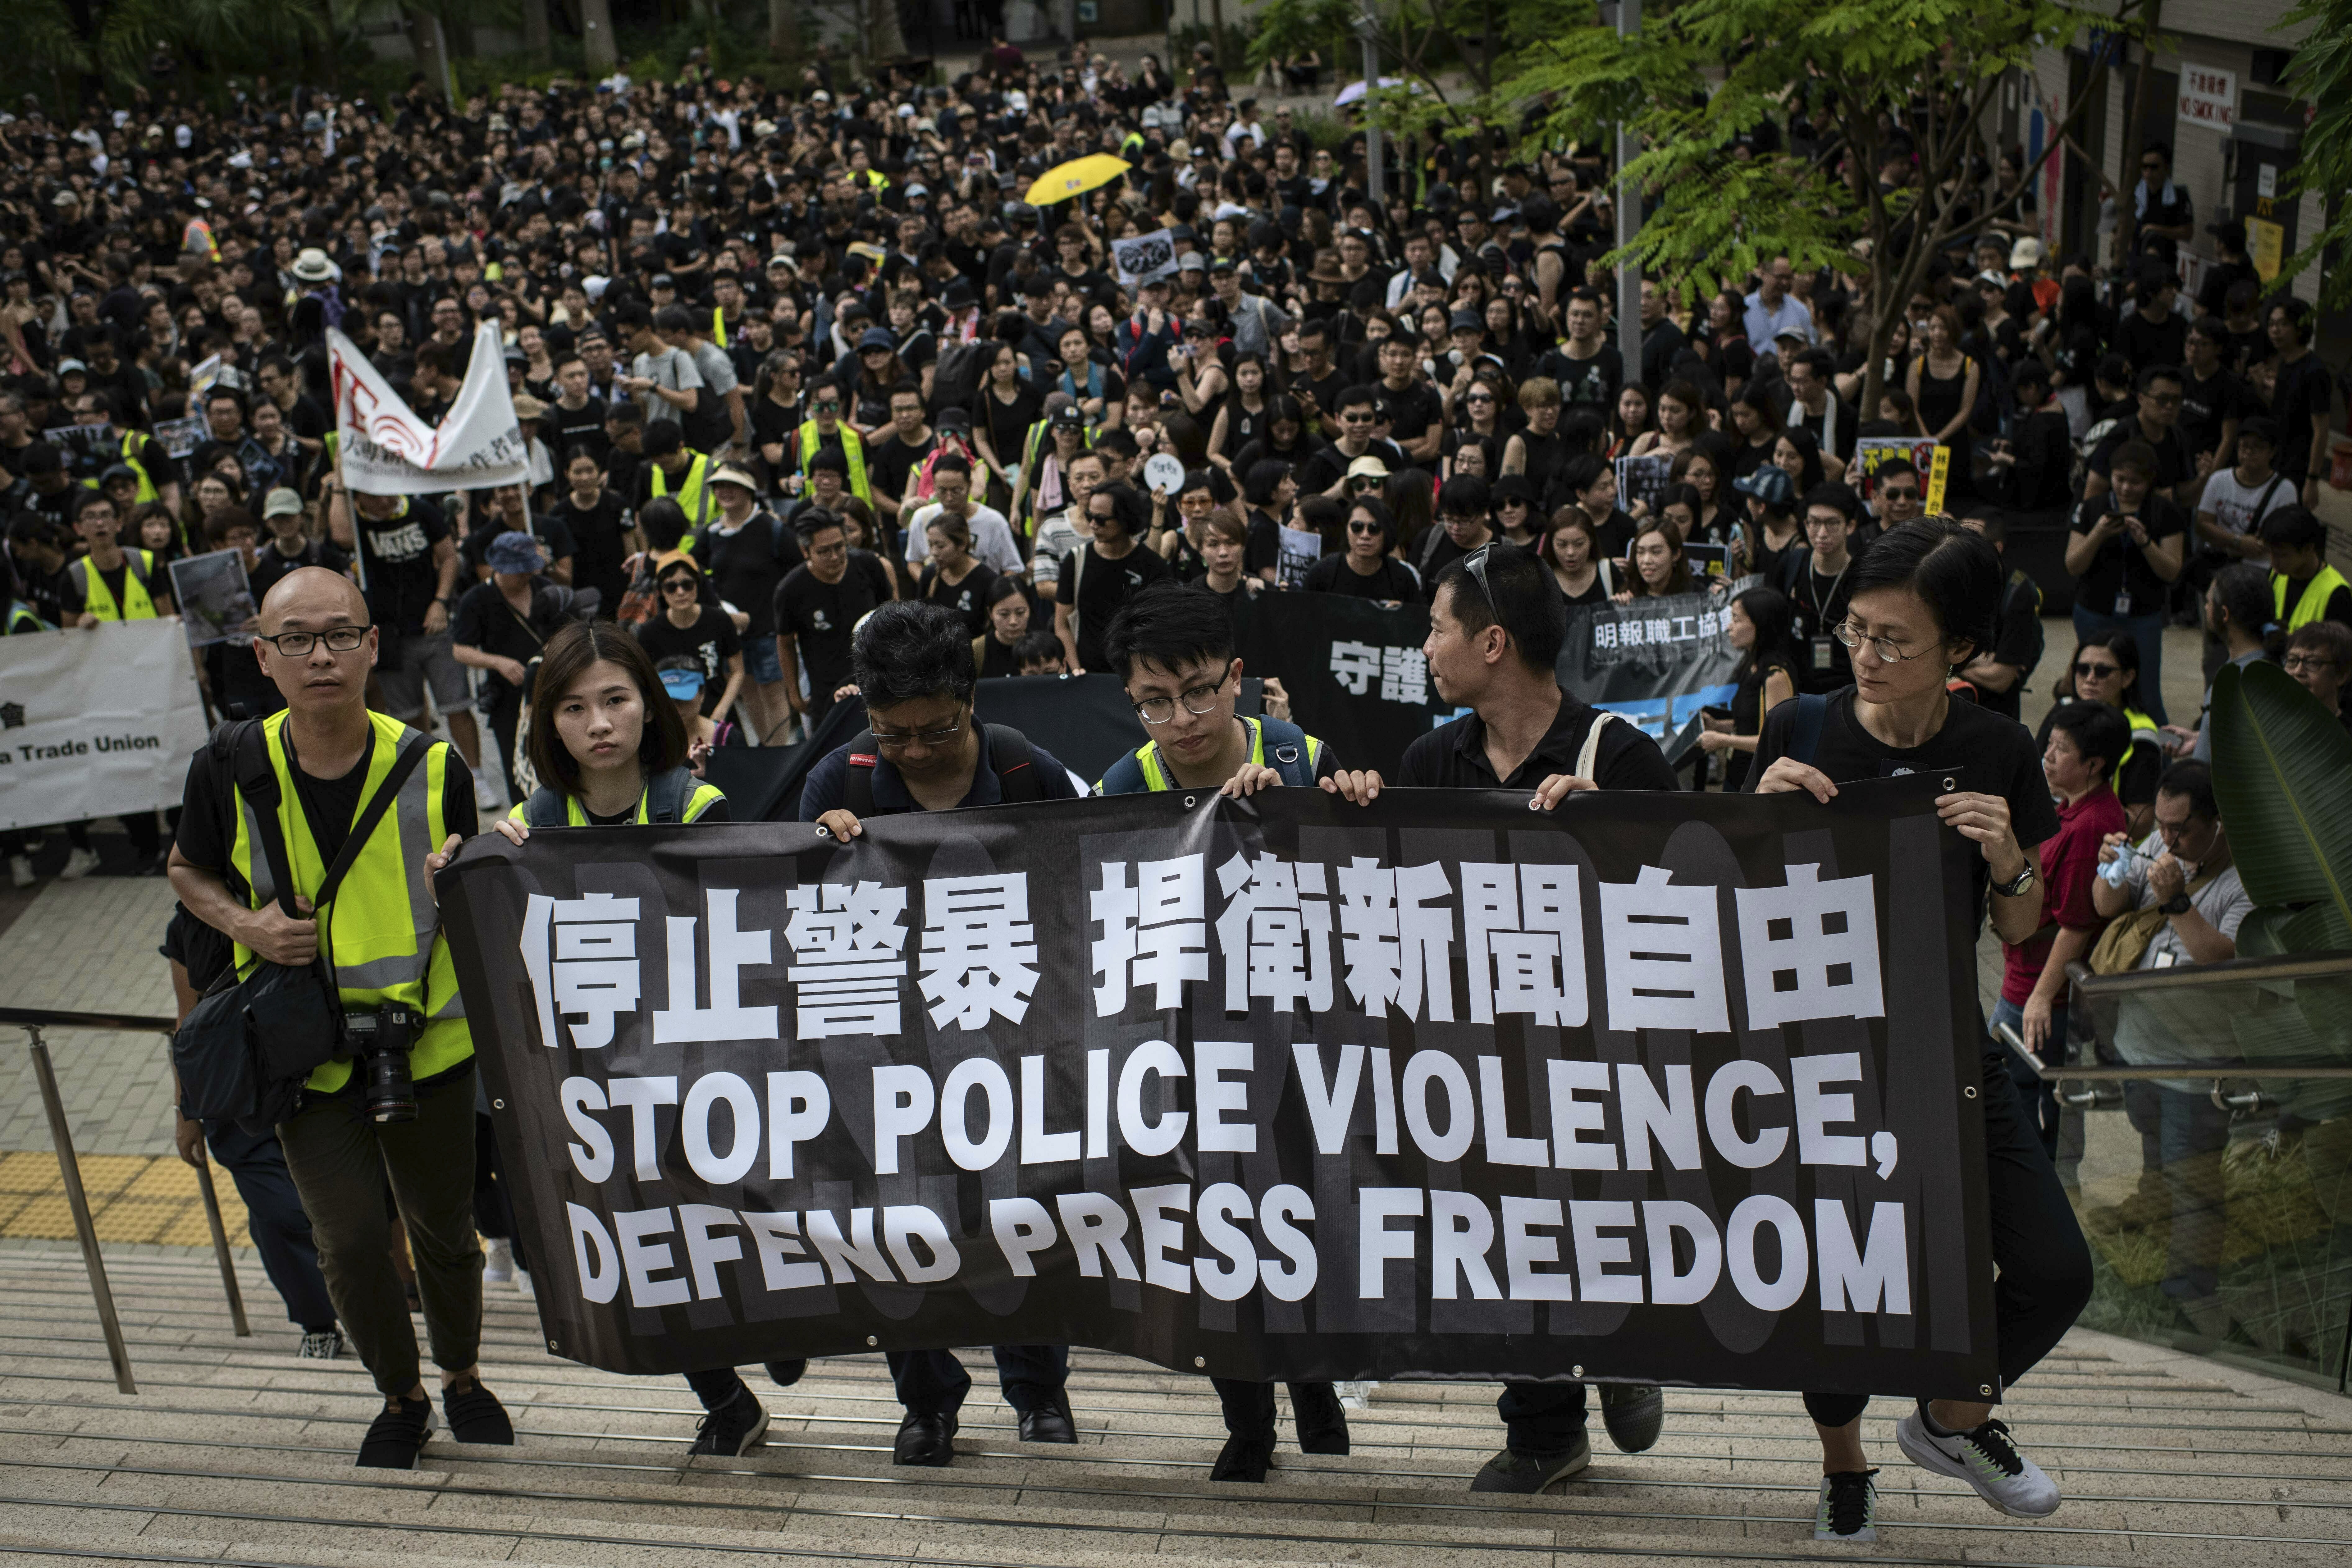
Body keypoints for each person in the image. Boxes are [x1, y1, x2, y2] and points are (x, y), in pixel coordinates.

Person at [1749, 518, 2092, 1540]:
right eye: (1857, 629)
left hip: (1949, 1048)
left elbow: (2022, 924)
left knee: (2054, 1268)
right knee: (1842, 1278)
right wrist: (1756, 824)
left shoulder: (1992, 745)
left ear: (1962, 651)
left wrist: (2006, 859)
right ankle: (1843, 1464)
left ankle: (1951, 1416)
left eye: (1896, 639)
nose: (1868, 654)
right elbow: (1723, 908)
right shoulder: (1800, 730)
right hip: (1817, 1058)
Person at [167, 566, 509, 1470]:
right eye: (296, 639)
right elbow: (185, 871)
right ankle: (401, 1393)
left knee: (442, 1231)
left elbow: (470, 888)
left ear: (371, 645)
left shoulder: (436, 762)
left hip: (427, 1043)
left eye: (338, 635)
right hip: (301, 1052)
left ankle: (465, 1372)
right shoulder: (230, 763)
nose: (319, 655)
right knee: (350, 1239)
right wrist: (247, 924)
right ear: (262, 655)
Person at [446, 620, 783, 1454]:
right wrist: (463, 877)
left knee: (726, 1219)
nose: (597, 723)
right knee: (640, 1245)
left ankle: (779, 1318)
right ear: (545, 722)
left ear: (649, 705)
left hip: (704, 1068)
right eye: (572, 706)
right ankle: (727, 1396)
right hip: (598, 1080)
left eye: (615, 700)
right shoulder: (533, 822)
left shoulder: (697, 804)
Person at [1393, 541, 1673, 1491]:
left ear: (1494, 641)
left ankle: (1630, 1348)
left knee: (1603, 1219)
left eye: (1437, 626)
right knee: (1510, 1229)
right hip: (1482, 1053)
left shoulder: (1623, 756)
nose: (1426, 645)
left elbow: (1693, 908)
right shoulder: (1434, 757)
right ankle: (1544, 1427)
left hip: (1603, 1053)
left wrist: (1619, 830)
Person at [1088, 584, 1376, 1479]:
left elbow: (1369, 890)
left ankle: (1316, 1381)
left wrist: (1346, 801)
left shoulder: (1305, 754)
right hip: (1189, 1053)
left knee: (1309, 1222)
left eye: (1201, 691)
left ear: (1238, 678)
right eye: (1155, 701)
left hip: (1303, 1045)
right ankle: (1247, 1416)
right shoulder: (1122, 786)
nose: (1182, 718)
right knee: (1217, 1235)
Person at [797, 602, 1081, 1468]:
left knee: (1021, 1209)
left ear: (969, 697)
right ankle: (925, 1397)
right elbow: (792, 915)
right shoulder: (838, 781)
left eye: (934, 729)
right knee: (898, 1219)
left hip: (1012, 1036)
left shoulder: (1030, 772)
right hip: (889, 1049)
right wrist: (816, 848)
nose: (914, 750)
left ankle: (1037, 1386)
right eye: (893, 733)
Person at [2089, 760, 2252, 1332]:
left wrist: (2178, 902)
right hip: (2138, 1049)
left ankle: (2189, 1297)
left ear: (2217, 823)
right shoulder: (2159, 840)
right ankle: (2154, 1270)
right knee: (2156, 1166)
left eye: (2181, 829)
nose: (2169, 839)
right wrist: (2111, 866)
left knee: (2195, 1184)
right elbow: (2107, 906)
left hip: (2196, 1065)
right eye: (2161, 825)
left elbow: (2218, 958)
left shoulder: (2243, 882)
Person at [1996, 701, 2129, 1159]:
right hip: (2025, 980)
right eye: (2047, 745)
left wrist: (2038, 996)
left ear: (2093, 764)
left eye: (2060, 750)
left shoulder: (2089, 827)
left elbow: (2075, 925)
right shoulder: (2072, 810)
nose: (2047, 758)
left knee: (2023, 1109)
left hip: (2040, 994)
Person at [2065, 441, 2184, 726]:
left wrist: (2145, 542)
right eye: (2120, 480)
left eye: (2135, 482)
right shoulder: (2091, 508)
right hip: (2094, 611)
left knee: (2146, 694)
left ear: (2149, 481)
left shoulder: (2164, 512)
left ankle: (2156, 759)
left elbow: (2171, 571)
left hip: (2143, 616)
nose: (2126, 488)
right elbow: (2073, 565)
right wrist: (2098, 534)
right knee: (2091, 689)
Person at [449, 532, 574, 789]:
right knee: (517, 766)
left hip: (550, 685)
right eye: (518, 571)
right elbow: (460, 650)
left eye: (528, 569)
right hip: (508, 696)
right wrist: (498, 663)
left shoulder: (544, 587)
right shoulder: (476, 600)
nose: (526, 576)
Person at [774, 508, 896, 729]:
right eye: (824, 551)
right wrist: (794, 695)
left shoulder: (868, 565)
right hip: (827, 691)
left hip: (877, 680)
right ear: (805, 551)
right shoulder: (791, 590)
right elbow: (785, 643)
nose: (835, 557)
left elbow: (892, 614)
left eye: (840, 547)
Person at [1055, 480, 1170, 672]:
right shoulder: (1076, 560)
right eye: (1089, 516)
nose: (1092, 524)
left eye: (1100, 519)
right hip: (1087, 674)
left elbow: (1162, 624)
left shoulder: (1151, 564)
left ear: (1124, 519)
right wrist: (1076, 669)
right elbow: (1062, 624)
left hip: (1139, 674)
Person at [1696, 585, 1801, 790]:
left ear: (1760, 624)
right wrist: (1720, 727)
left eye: (1736, 619)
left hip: (1760, 780)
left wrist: (1722, 740)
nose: (1729, 627)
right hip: (1738, 772)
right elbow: (1752, 722)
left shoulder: (1775, 675)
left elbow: (1773, 740)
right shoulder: (1750, 664)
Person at [1953, 514, 2044, 723]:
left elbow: (2000, 679)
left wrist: (1950, 663)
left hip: (1995, 714)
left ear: (1996, 547)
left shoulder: (2018, 593)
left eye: (1970, 539)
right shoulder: (1953, 581)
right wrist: (1984, 660)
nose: (1959, 545)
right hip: (1955, 704)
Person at [1304, 496, 1420, 600]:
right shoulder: (1321, 572)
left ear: (1387, 532)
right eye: (1357, 527)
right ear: (1346, 529)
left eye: (1374, 528)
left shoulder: (1403, 577)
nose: (1365, 535)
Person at [2260, 506, 2352, 632]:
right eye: (2270, 553)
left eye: (2282, 555)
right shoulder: (2277, 574)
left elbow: (2338, 648)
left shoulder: (2337, 593)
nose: (2273, 561)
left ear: (2308, 549)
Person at [2284, 621, 2352, 737]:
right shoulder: (2267, 730)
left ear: (2341, 675)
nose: (2298, 671)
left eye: (2312, 662)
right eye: (2292, 661)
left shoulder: (2347, 737)